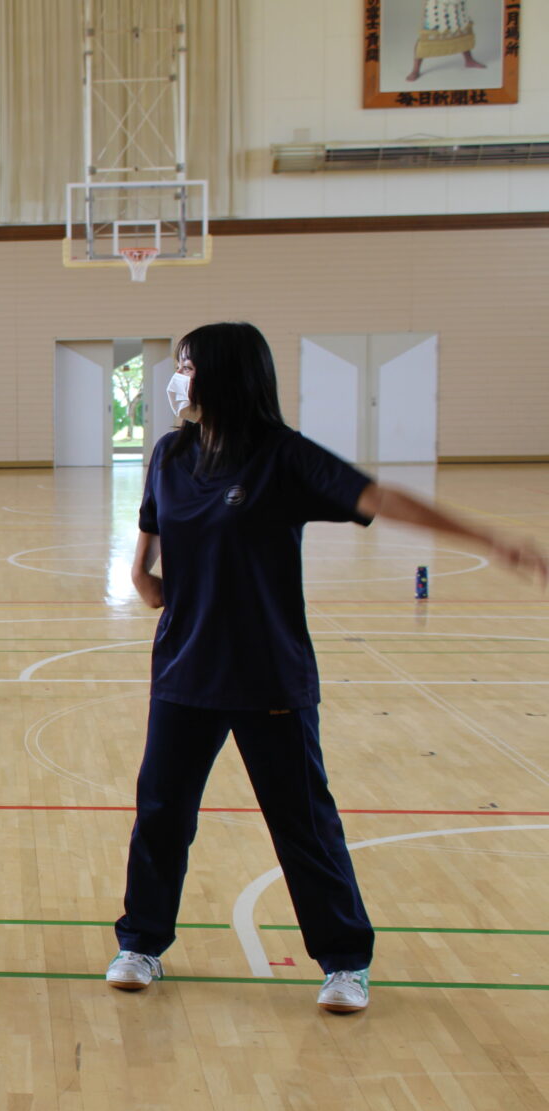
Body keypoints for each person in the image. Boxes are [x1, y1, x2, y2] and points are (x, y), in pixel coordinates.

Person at [108, 322, 546, 1013]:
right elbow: (152, 520)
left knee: (303, 821)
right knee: (162, 814)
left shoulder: (282, 458)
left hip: (268, 676)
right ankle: (140, 944)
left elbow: (380, 499)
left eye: (188, 364)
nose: (178, 376)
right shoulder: (170, 452)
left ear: (223, 374)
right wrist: (138, 571)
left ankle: (344, 960)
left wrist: (488, 537)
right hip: (184, 671)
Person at [406, 0, 484, 82]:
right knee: (425, 38)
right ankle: (415, 70)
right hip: (437, 6)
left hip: (457, 5)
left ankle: (469, 60)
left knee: (461, 32)